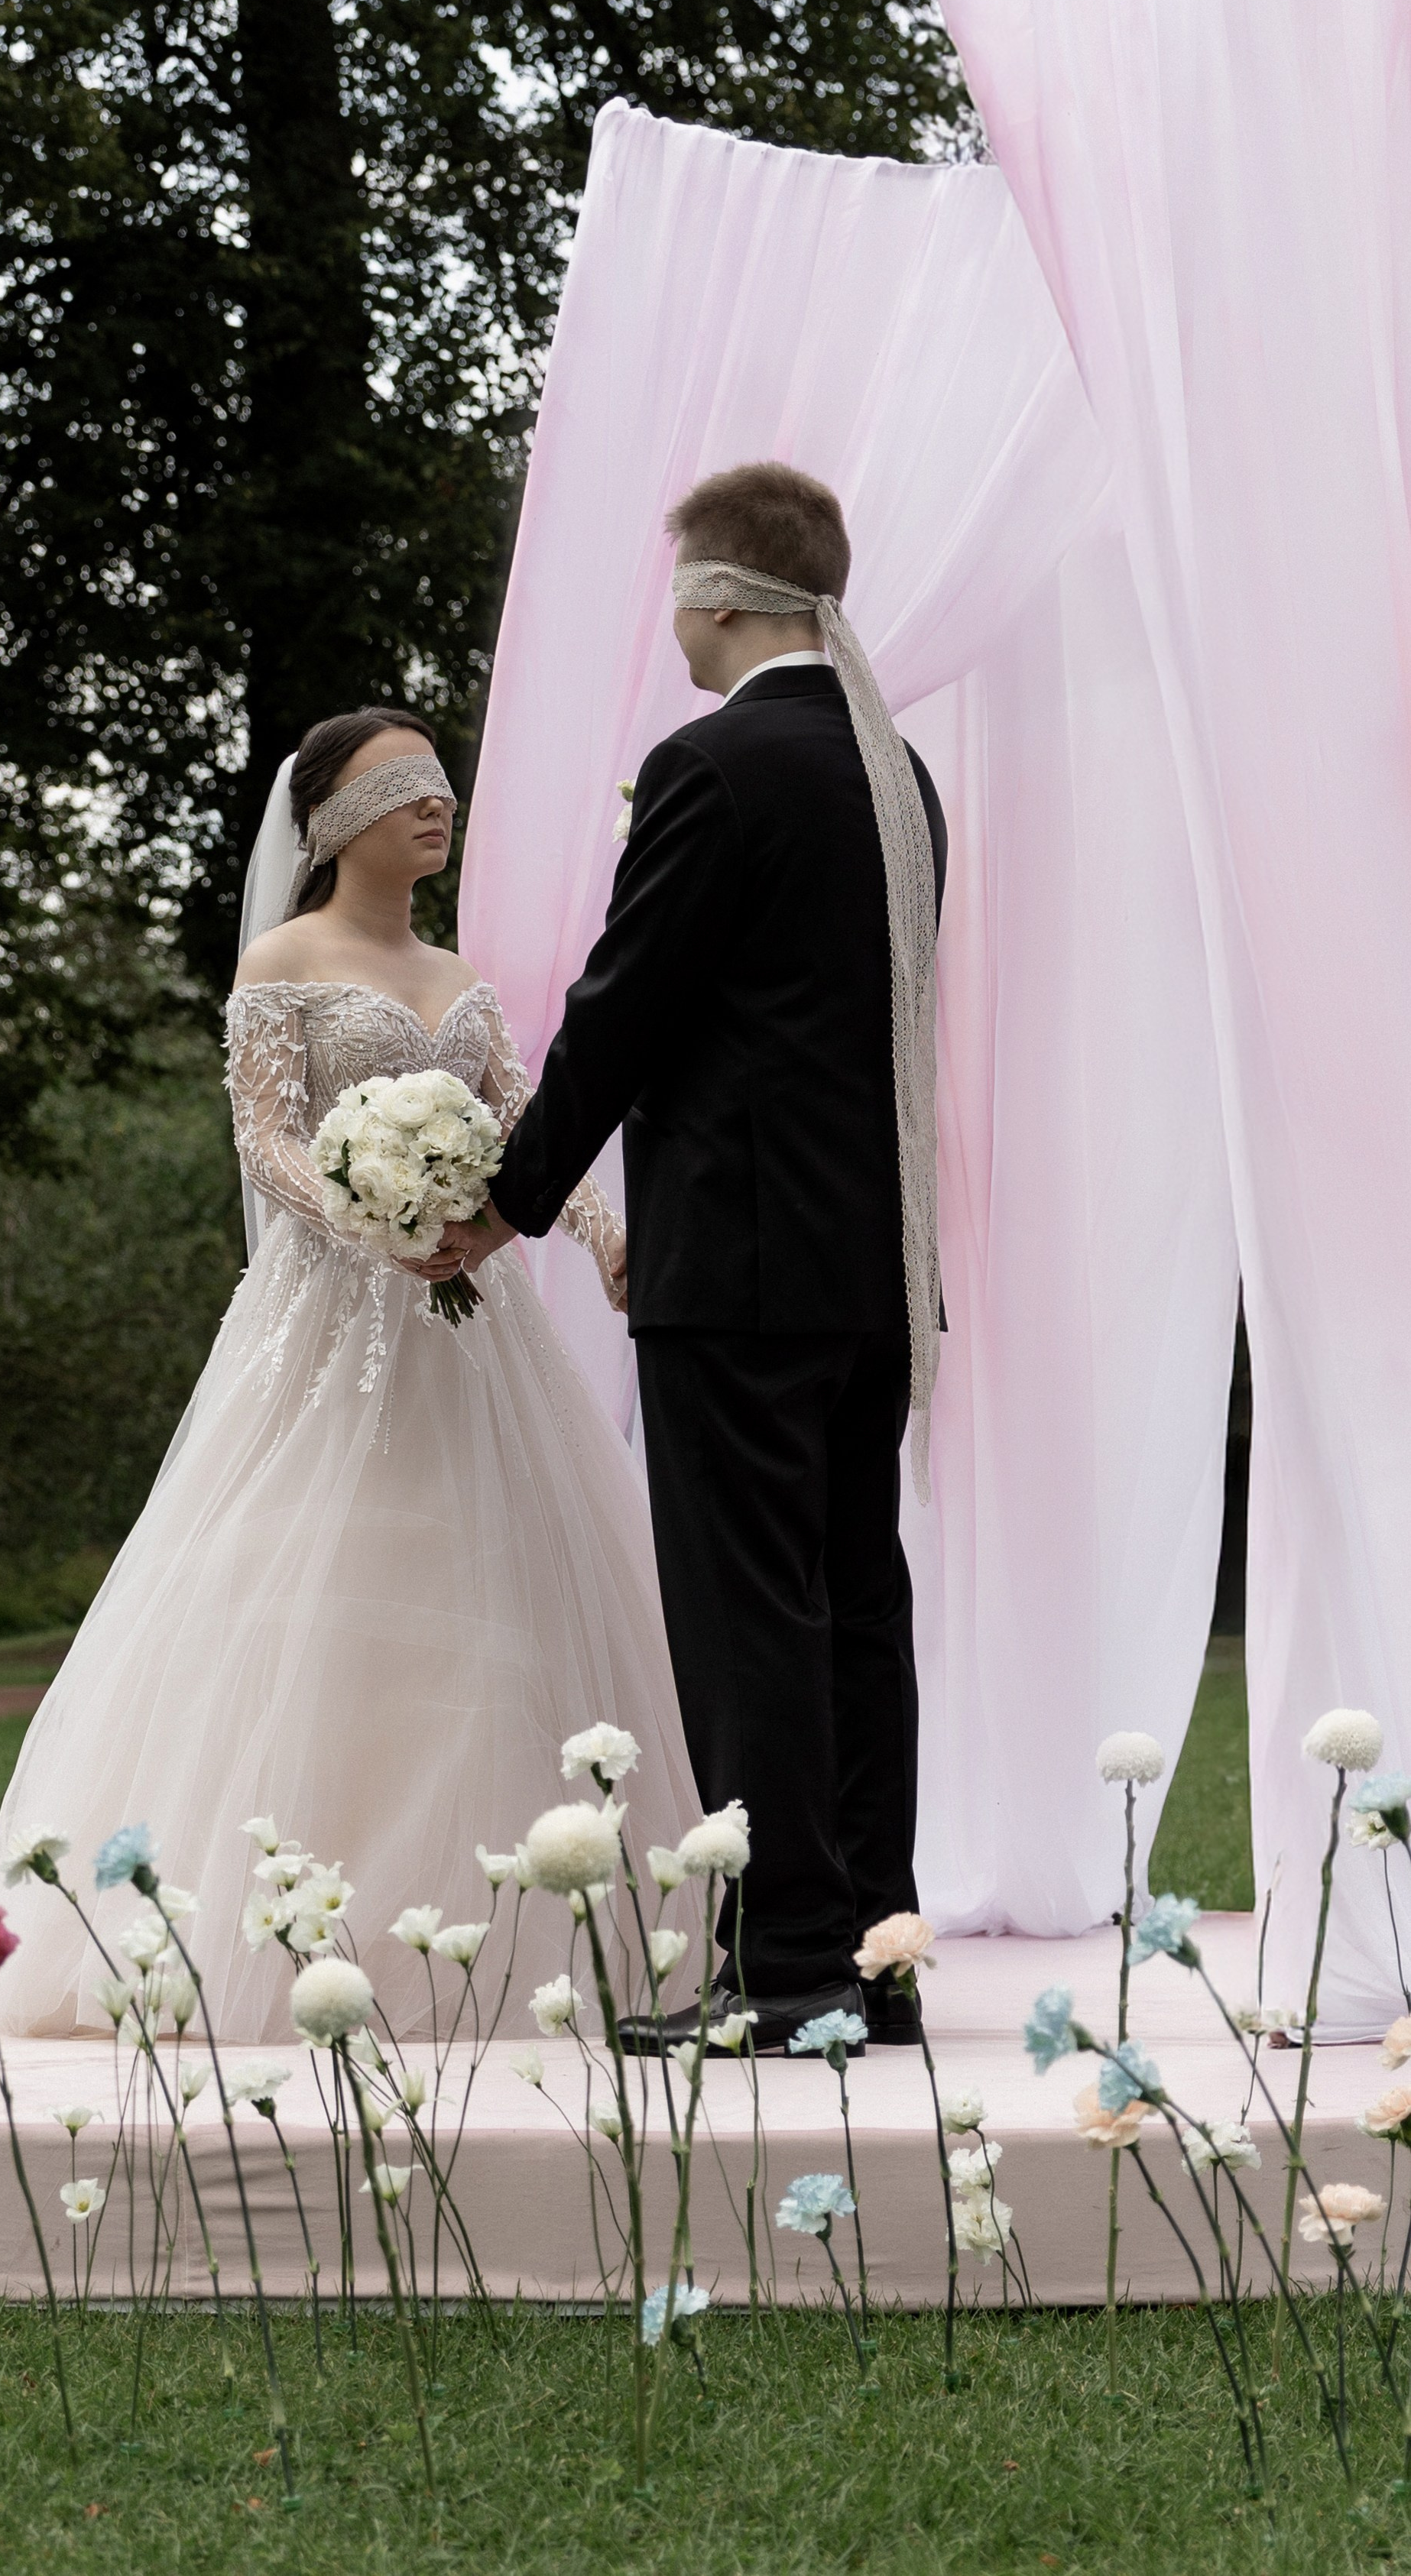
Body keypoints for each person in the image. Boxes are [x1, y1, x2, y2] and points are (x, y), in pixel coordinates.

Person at [0, 705, 699, 2041]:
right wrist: (371, 1221)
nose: (439, 805)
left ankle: (480, 1907)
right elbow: (263, 1139)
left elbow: (529, 1123)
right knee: (307, 1582)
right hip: (329, 1324)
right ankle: (276, 1919)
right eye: (404, 787)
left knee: (490, 1596)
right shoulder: (284, 960)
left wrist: (606, 1236)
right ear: (330, 823)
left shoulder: (459, 972)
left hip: (475, 1330)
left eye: (442, 786)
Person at [452, 461, 947, 2050]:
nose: (667, 618)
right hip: (874, 1267)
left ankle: (784, 1965)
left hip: (737, 1266)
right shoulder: (897, 773)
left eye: (675, 590)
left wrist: (509, 1199)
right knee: (852, 1609)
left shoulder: (716, 766)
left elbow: (623, 1010)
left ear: (720, 599)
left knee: (751, 1622)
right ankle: (872, 1958)